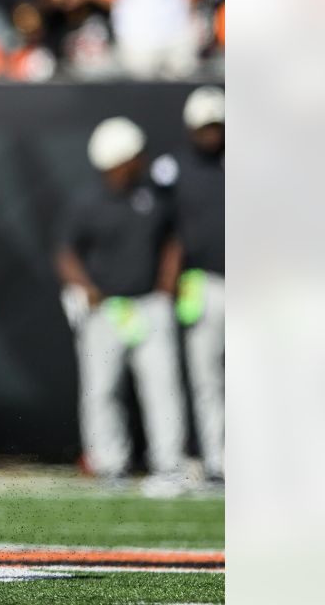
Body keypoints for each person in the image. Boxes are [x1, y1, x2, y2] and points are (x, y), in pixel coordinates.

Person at [55, 116, 190, 497]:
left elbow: (173, 239)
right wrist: (86, 286)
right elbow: (65, 253)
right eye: (134, 155)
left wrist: (167, 283)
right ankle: (108, 463)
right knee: (101, 390)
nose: (142, 160)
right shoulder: (87, 203)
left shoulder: (154, 196)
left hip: (149, 305)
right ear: (118, 160)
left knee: (162, 388)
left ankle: (170, 465)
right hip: (107, 311)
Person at [152, 86, 225, 483]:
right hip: (200, 284)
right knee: (206, 379)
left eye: (217, 126)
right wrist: (169, 277)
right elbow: (163, 231)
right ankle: (216, 462)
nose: (211, 134)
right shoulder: (173, 169)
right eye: (204, 127)